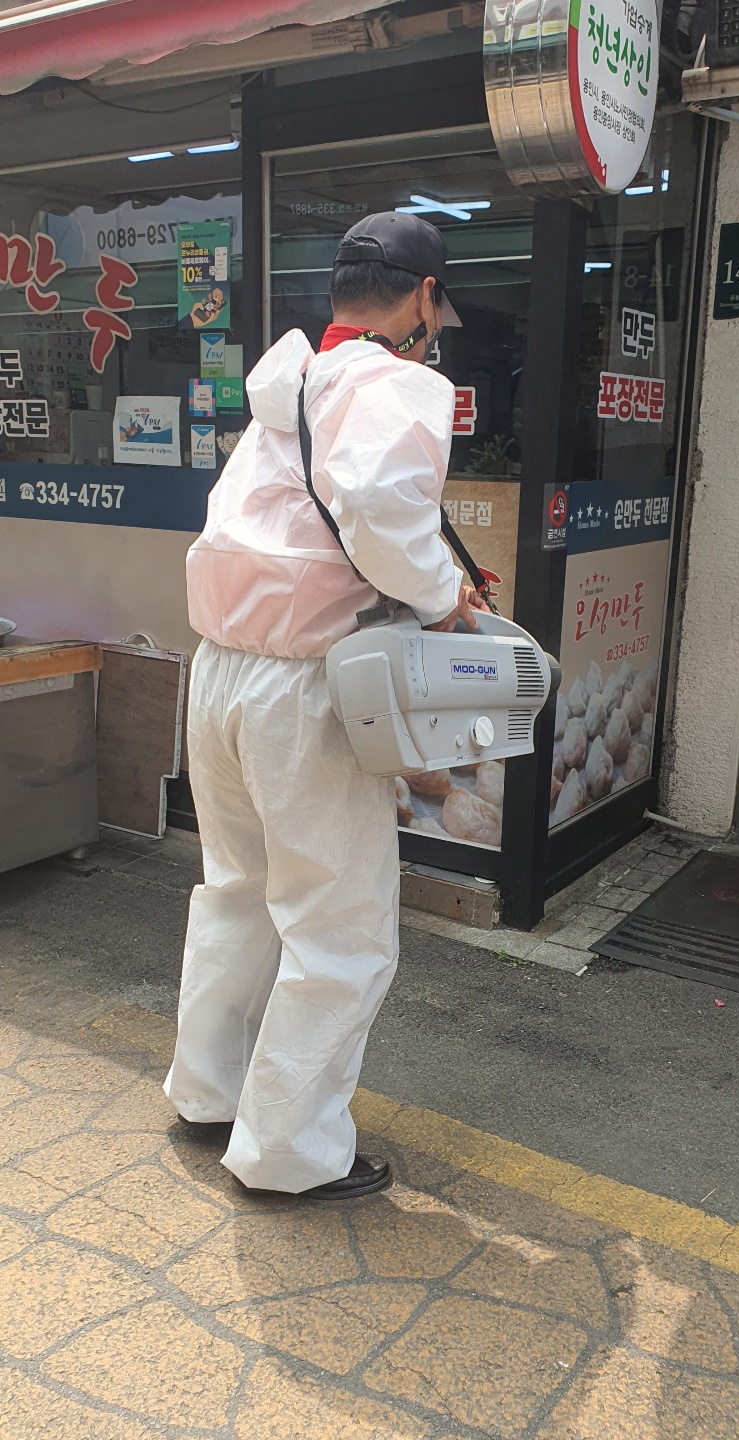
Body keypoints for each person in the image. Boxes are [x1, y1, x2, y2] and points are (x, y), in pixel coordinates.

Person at [164, 212, 486, 1199]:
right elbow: (382, 513)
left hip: (219, 668)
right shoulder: (396, 384)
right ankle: (289, 1154)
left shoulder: (291, 383)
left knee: (237, 892)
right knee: (338, 927)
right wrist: (445, 595)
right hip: (306, 684)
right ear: (424, 297)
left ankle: (208, 1093)